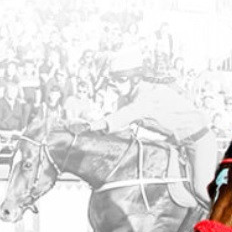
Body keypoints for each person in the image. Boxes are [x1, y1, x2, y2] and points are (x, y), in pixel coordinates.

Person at [81, 47, 215, 197]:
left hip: (199, 142)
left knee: (201, 190)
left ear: (134, 79)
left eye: (119, 80)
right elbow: (120, 124)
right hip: (176, 143)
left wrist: (90, 126)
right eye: (113, 81)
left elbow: (122, 116)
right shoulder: (129, 96)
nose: (115, 86)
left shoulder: (147, 96)